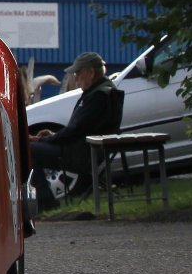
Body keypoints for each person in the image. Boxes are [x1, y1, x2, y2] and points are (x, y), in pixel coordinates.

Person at [29, 51, 124, 210]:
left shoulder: (97, 96)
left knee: (28, 150)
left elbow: (75, 131)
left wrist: (43, 140)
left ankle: (46, 204)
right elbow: (81, 129)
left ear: (91, 72)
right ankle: (45, 202)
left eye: (78, 73)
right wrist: (53, 136)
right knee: (32, 148)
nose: (76, 78)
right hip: (90, 149)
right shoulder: (104, 90)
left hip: (82, 153)